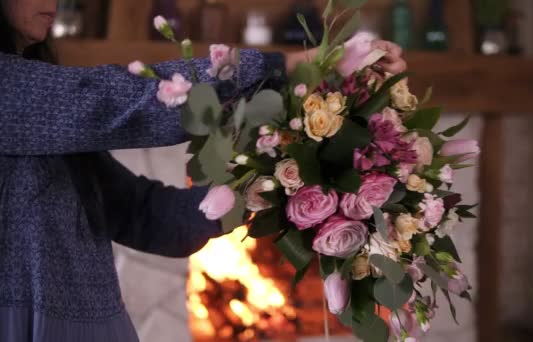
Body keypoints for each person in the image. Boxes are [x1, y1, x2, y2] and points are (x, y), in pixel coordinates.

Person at [0, 0, 407, 341]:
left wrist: (259, 190)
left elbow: (143, 213)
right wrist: (294, 68)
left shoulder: (46, 117)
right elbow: (121, 102)